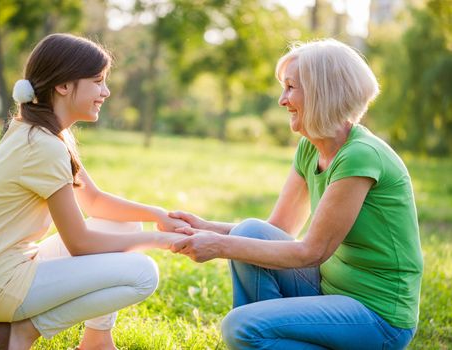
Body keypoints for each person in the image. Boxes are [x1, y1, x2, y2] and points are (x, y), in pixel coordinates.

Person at [169, 39, 424, 350]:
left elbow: (312, 253)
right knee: (251, 231)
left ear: (322, 92)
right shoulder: (311, 147)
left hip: (378, 317)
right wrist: (205, 227)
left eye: (290, 88)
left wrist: (220, 245)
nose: (282, 100)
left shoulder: (360, 155)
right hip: (331, 292)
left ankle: (265, 336)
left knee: (241, 327)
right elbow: (278, 230)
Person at [0, 33, 189, 350]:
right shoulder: (42, 145)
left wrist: (158, 216)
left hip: (6, 272)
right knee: (142, 274)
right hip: (3, 286)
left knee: (125, 223)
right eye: (98, 81)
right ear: (63, 85)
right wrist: (159, 240)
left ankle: (96, 342)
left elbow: (94, 202)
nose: (106, 92)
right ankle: (22, 332)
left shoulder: (43, 132)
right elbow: (81, 243)